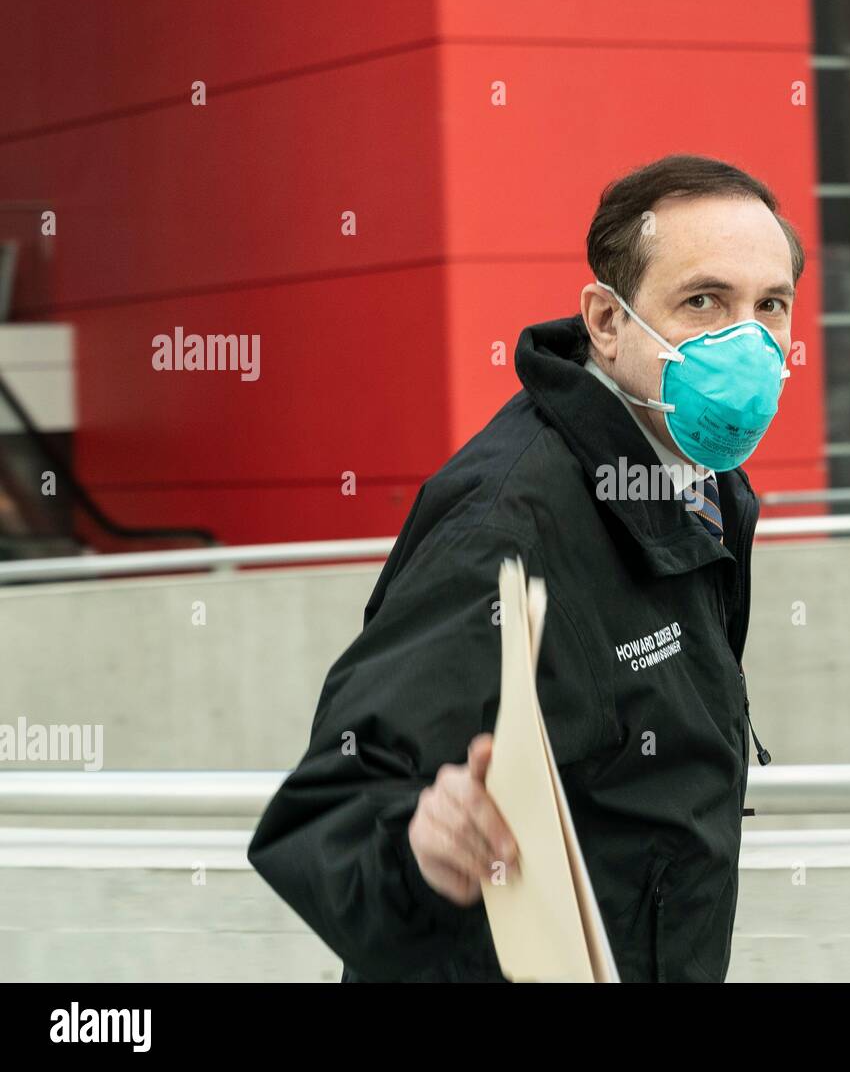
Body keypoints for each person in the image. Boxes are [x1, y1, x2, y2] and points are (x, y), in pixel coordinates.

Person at [247, 153, 804, 982]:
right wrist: (421, 849)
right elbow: (327, 816)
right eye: (703, 302)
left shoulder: (705, 479)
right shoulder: (505, 525)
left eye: (771, 307)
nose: (748, 343)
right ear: (607, 323)